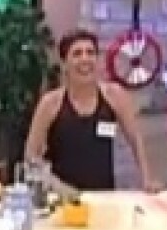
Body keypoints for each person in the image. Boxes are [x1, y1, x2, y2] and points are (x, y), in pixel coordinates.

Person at [24, 28, 156, 192]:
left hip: (103, 196)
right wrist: (55, 184)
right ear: (64, 64)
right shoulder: (50, 103)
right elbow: (31, 156)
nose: (85, 59)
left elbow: (136, 140)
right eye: (77, 54)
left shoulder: (114, 96)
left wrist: (147, 178)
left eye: (90, 53)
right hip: (61, 197)